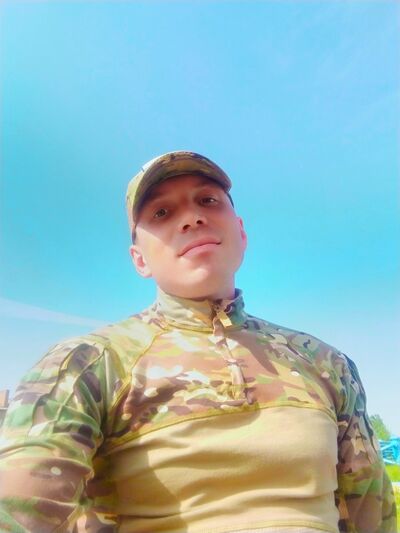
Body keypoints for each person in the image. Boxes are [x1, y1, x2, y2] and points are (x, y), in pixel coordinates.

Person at [0, 151, 396, 533]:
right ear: (140, 259)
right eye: (161, 212)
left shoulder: (325, 362)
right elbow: (17, 512)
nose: (192, 218)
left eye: (208, 200)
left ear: (241, 232)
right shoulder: (87, 363)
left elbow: (371, 517)